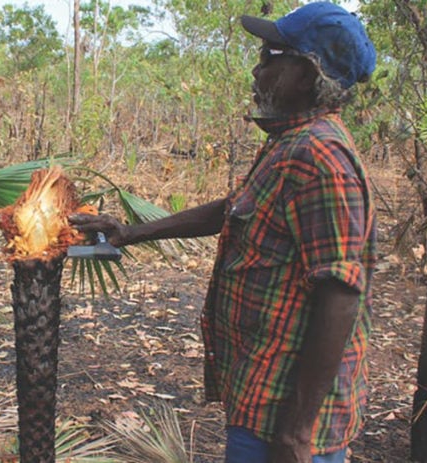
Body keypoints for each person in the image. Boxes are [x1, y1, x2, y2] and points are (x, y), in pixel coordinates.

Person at [71, 3, 377, 462]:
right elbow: (231, 211)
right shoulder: (289, 142)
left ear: (309, 74)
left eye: (273, 54)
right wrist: (129, 233)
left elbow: (341, 294)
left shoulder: (321, 158)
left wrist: (297, 434)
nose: (258, 69)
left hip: (288, 420)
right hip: (260, 395)